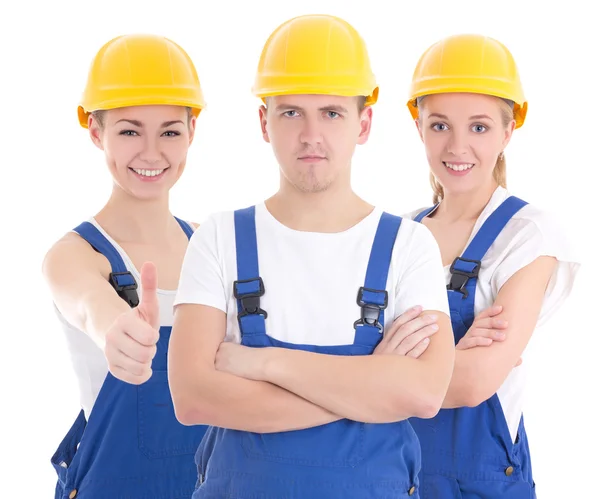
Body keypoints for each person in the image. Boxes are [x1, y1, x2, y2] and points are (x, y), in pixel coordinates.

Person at [168, 14, 455, 499]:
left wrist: (264, 364)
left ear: (364, 123)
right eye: (291, 113)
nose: (311, 135)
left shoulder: (410, 245)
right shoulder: (218, 239)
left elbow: (424, 393)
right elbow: (193, 398)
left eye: (332, 113)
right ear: (264, 122)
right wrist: (368, 386)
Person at [404, 33, 580, 497]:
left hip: (477, 484)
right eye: (440, 125)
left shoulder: (529, 235)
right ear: (418, 124)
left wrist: (387, 366)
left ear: (509, 130)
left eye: (479, 127)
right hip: (393, 474)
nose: (458, 146)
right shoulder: (397, 234)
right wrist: (449, 360)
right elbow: (342, 352)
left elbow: (473, 383)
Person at [42, 33, 209, 498]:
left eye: (170, 132)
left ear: (192, 132)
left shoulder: (214, 247)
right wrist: (118, 333)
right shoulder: (76, 255)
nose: (152, 153)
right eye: (130, 130)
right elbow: (91, 307)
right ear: (96, 132)